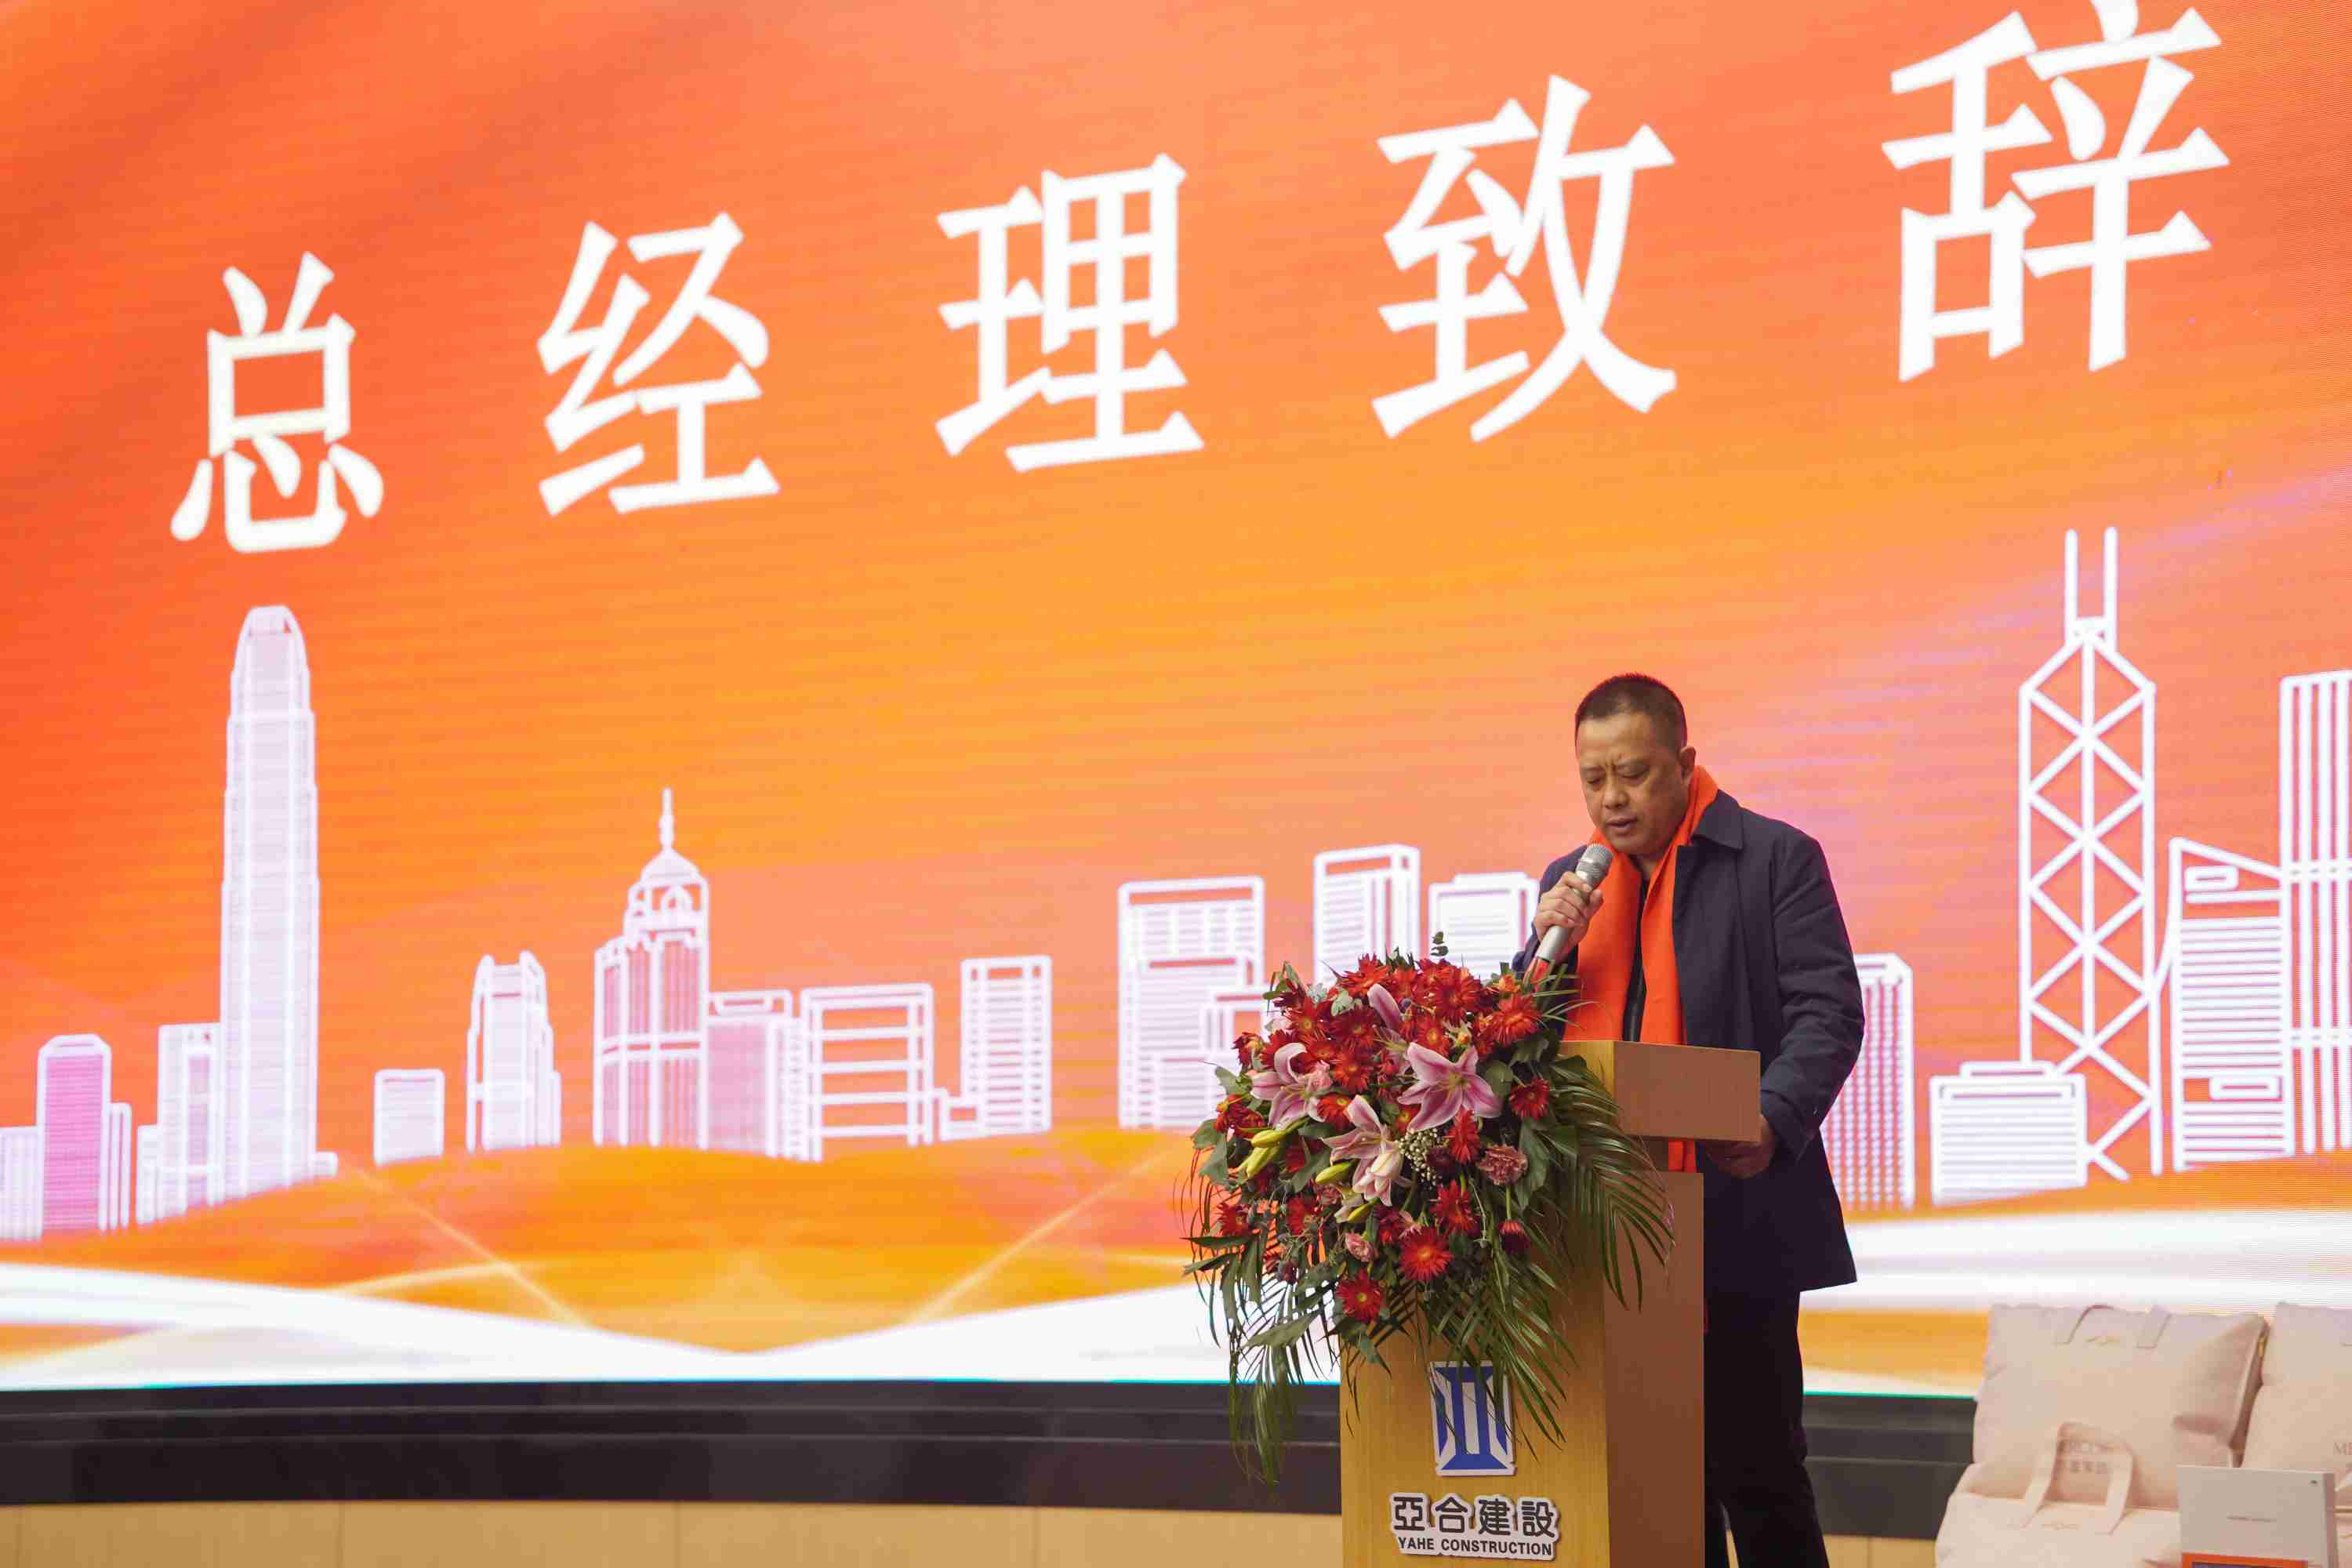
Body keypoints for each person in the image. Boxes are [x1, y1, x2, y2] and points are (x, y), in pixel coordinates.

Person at [1514, 673, 1864, 1568]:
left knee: (1760, 1473)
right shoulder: (1570, 885)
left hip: (1733, 1211)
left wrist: (1771, 1116)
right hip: (1605, 1228)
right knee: (1651, 1482)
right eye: (1593, 779)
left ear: (1685, 763)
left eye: (1633, 773)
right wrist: (1545, 955)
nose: (1612, 799)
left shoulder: (1774, 859)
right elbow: (1519, 1046)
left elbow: (1827, 1012)